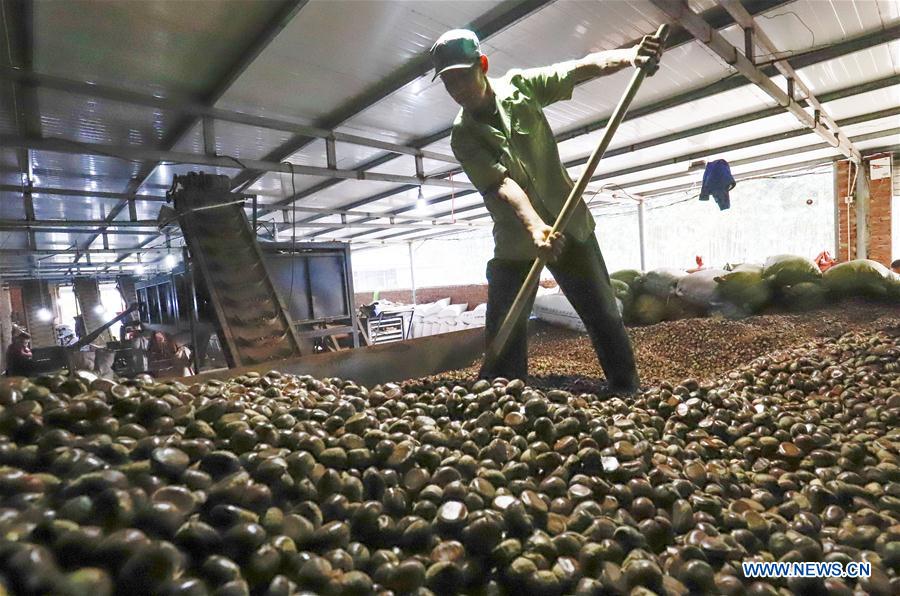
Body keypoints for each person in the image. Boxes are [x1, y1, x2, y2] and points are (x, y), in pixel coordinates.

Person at [432, 29, 662, 392]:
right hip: (515, 238)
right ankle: (506, 394)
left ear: (483, 65)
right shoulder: (463, 136)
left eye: (463, 76)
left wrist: (631, 56)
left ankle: (626, 387)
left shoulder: (521, 88)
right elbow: (500, 184)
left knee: (601, 311)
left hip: (568, 220)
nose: (458, 88)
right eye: (448, 82)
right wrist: (536, 228)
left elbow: (577, 70)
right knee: (505, 322)